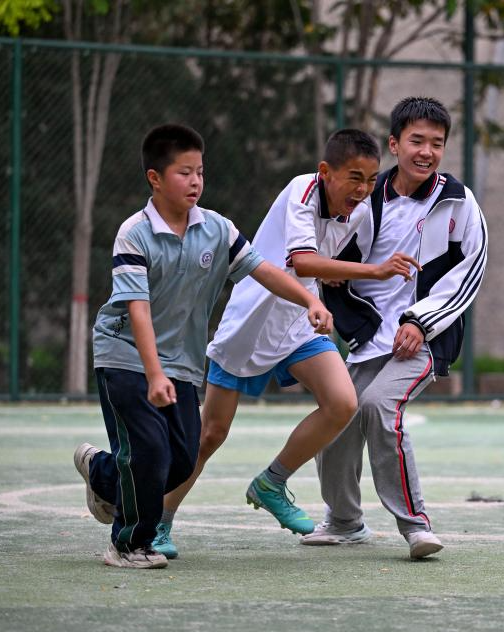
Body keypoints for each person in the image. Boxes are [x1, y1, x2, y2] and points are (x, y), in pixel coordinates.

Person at [151, 129, 422, 558]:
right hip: (251, 324)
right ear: (325, 172)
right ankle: (160, 522)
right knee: (210, 435)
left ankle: (272, 482)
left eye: (371, 180)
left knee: (343, 403)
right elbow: (302, 261)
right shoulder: (303, 189)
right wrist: (372, 271)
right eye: (355, 177)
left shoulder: (361, 212)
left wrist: (338, 275)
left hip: (299, 323)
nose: (363, 190)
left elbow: (326, 263)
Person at [72, 123, 332, 569]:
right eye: (183, 173)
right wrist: (153, 374)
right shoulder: (133, 233)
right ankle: (128, 544)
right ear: (155, 178)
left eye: (200, 172)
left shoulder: (217, 229)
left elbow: (264, 270)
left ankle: (102, 471)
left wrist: (309, 297)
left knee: (181, 460)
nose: (195, 182)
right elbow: (137, 310)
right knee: (150, 452)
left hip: (183, 364)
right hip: (126, 356)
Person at [305, 97, 489, 559]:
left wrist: (420, 322)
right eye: (416, 141)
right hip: (369, 339)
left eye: (437, 143)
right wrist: (334, 285)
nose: (426, 152)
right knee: (338, 414)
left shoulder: (458, 201)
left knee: (378, 408)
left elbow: (471, 268)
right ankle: (344, 521)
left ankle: (416, 525)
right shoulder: (368, 198)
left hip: (425, 339)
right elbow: (339, 259)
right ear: (394, 144)